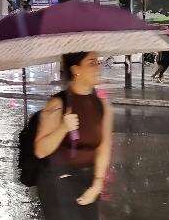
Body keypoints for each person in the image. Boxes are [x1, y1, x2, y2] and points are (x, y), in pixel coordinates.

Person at [34, 52, 113, 219]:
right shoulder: (57, 104)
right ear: (76, 69)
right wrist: (63, 127)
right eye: (92, 62)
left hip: (89, 182)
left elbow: (104, 146)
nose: (98, 66)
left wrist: (98, 183)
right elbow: (40, 150)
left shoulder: (101, 104)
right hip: (59, 184)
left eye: (98, 62)